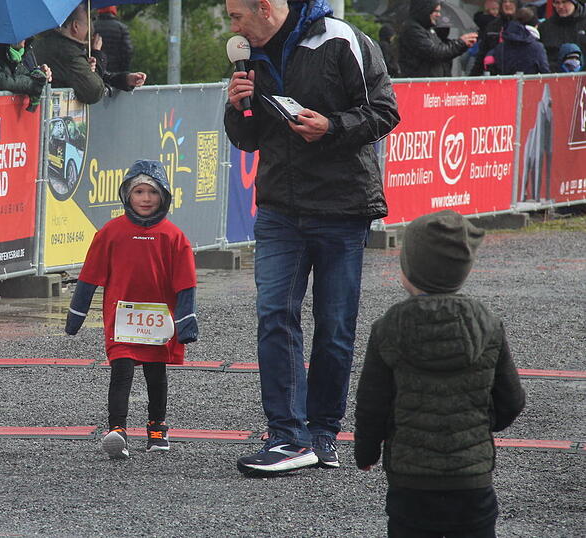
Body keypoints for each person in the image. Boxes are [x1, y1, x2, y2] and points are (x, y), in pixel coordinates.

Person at [224, 0, 399, 475]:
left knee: (335, 328)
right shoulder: (250, 57)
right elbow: (247, 140)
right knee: (274, 314)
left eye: (236, 16)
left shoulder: (340, 39)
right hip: (280, 208)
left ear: (264, 8)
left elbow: (384, 111)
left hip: (342, 207)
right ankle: (285, 434)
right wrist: (237, 107)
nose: (232, 26)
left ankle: (323, 433)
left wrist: (331, 126)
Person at [354, 210, 526, 538]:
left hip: (410, 483)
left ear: (410, 270)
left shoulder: (389, 327)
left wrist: (366, 452)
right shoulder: (487, 323)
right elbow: (512, 400)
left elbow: (371, 404)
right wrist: (479, 424)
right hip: (472, 481)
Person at [64, 160, 198, 459]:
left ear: (163, 196)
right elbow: (89, 276)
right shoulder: (112, 232)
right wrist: (76, 315)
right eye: (139, 191)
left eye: (152, 192)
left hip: (158, 322)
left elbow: (186, 283)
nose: (146, 198)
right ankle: (117, 430)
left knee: (155, 372)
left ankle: (157, 427)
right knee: (121, 370)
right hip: (121, 319)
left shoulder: (173, 237)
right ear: (127, 194)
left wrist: (187, 322)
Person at [33, 3, 147, 105]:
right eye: (88, 22)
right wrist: (97, 54)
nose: (91, 27)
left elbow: (93, 76)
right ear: (75, 26)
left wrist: (125, 79)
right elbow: (94, 90)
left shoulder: (48, 42)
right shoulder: (68, 52)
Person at [400, 0, 478, 77]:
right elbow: (434, 52)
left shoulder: (427, 29)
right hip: (421, 83)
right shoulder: (412, 29)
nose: (439, 15)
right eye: (436, 11)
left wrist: (463, 44)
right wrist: (460, 42)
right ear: (425, 10)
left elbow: (442, 50)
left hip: (432, 81)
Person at [485, 7, 550, 74]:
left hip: (506, 83)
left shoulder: (500, 47)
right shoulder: (537, 47)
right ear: (533, 27)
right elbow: (545, 71)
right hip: (530, 83)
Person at [471, 0, 518, 75]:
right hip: (496, 76)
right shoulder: (492, 26)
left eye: (511, 1)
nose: (507, 4)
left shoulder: (524, 25)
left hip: (519, 76)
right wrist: (472, 79)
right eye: (504, 1)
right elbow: (482, 55)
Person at [539, 0, 586, 72]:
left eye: (564, 2)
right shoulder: (545, 27)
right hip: (554, 76)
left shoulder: (583, 24)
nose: (560, 6)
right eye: (557, 3)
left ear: (575, 3)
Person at [93, 6, 134, 73]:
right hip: (117, 70)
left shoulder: (92, 26)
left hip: (97, 68)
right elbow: (127, 51)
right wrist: (124, 71)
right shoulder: (122, 28)